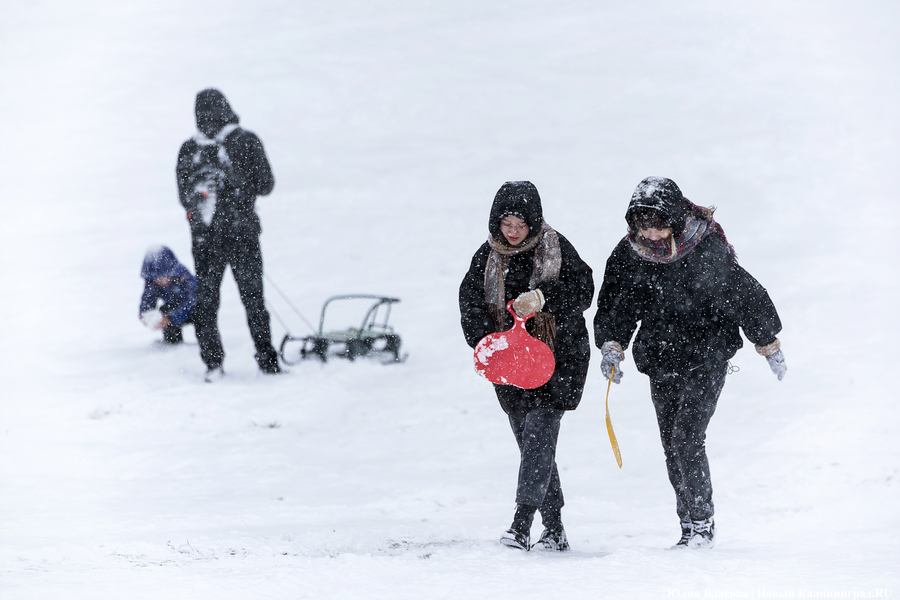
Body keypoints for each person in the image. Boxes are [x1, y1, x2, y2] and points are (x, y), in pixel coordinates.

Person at [594, 176, 786, 550]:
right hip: (660, 355)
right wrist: (612, 345)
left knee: (686, 437)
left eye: (657, 223)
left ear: (675, 218)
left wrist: (768, 342)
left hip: (707, 353)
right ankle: (687, 524)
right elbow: (617, 304)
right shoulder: (629, 253)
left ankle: (703, 524)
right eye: (642, 224)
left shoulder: (704, 245)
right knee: (671, 442)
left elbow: (742, 293)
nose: (650, 233)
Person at [459, 181, 594, 552]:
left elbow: (584, 289)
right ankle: (555, 528)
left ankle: (521, 523)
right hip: (511, 363)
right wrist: (486, 341)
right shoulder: (485, 257)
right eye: (506, 225)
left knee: (539, 433)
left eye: (520, 224)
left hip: (559, 358)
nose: (513, 232)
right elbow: (470, 302)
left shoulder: (557, 247)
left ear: (534, 223)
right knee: (533, 443)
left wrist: (544, 298)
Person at [176, 88, 281, 380]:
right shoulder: (245, 141)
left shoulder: (190, 149)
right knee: (251, 299)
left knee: (208, 301)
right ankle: (266, 359)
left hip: (207, 238)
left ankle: (214, 363)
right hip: (237, 235)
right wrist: (238, 188)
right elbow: (266, 185)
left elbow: (184, 197)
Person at [139, 246, 196, 344]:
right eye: (156, 278)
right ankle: (172, 344)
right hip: (174, 306)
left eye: (163, 276)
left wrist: (170, 318)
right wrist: (145, 314)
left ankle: (207, 345)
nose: (160, 280)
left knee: (204, 315)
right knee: (164, 311)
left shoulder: (185, 278)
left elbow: (189, 303)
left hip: (195, 306)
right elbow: (148, 299)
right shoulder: (153, 283)